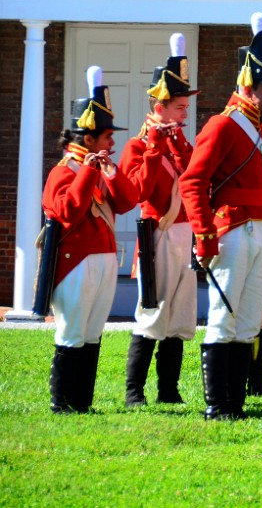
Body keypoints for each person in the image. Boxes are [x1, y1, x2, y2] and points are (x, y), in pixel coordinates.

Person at [179, 13, 262, 420]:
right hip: (233, 230)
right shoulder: (223, 126)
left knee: (249, 321)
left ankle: (236, 404)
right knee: (223, 318)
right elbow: (193, 183)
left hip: (261, 231)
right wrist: (204, 235)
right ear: (248, 87)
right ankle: (216, 405)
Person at [43, 67, 139, 413]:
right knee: (72, 333)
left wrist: (111, 174)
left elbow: (128, 202)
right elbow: (68, 210)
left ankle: (82, 402)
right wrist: (88, 170)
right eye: (107, 137)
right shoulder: (62, 172)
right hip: (76, 263)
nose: (113, 143)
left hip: (103, 258)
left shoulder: (100, 170)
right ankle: (62, 403)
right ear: (88, 139)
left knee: (93, 334)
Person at [120, 34, 199, 408]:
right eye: (180, 107)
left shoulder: (183, 144)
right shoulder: (139, 146)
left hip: (184, 235)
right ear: (160, 106)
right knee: (152, 313)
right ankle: (134, 392)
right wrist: (154, 145)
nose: (185, 114)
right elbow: (137, 191)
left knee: (180, 316)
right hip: (158, 233)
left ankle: (168, 389)